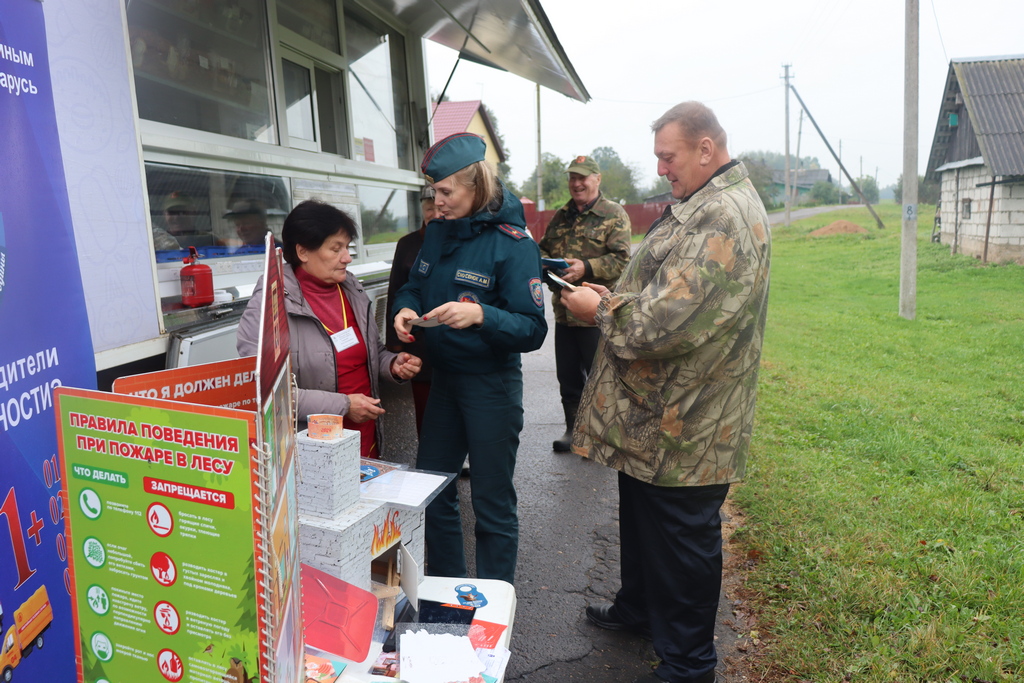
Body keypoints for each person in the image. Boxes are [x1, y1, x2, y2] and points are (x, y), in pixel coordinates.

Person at [561, 102, 771, 683]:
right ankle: (642, 610)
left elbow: (664, 323)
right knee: (645, 519)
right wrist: (617, 291)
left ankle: (688, 664)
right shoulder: (702, 204)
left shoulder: (722, 216)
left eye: (668, 156)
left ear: (706, 148)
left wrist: (598, 307)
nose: (661, 169)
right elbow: (665, 285)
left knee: (682, 539)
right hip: (661, 415)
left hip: (690, 422)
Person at [392, 133, 547, 584]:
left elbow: (533, 329)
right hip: (444, 383)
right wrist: (405, 306)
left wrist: (480, 313)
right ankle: (447, 594)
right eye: (433, 192)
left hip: (490, 386)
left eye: (445, 192)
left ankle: (494, 606)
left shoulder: (514, 245)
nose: (436, 202)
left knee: (491, 501)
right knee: (434, 490)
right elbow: (414, 285)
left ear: (475, 185)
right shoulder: (439, 233)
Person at [237, 199, 421, 459]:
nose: (347, 257)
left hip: (363, 433)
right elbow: (265, 391)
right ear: (302, 252)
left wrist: (392, 364)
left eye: (347, 247)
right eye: (336, 249)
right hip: (311, 448)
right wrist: (343, 406)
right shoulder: (270, 304)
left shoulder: (350, 288)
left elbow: (370, 351)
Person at [538, 155, 631, 452]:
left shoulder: (613, 214)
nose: (576, 183)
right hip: (565, 313)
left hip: (597, 315)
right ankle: (574, 432)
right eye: (572, 178)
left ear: (597, 179)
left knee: (601, 379)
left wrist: (586, 268)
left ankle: (603, 438)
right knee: (568, 378)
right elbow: (543, 248)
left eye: (583, 177)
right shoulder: (562, 215)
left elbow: (621, 259)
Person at [384, 185, 442, 435]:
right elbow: (396, 289)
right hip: (418, 339)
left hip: (453, 333)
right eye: (428, 208)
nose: (433, 214)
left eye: (437, 208)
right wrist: (395, 346)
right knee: (426, 406)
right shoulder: (407, 244)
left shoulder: (459, 241)